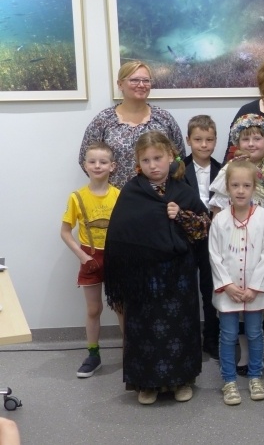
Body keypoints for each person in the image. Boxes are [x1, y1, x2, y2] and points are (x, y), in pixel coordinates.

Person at [104, 131, 210, 405]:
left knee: (179, 327)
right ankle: (146, 383)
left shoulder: (183, 190)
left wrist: (181, 215)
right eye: (146, 160)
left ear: (170, 156)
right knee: (145, 328)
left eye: (158, 158)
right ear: (138, 163)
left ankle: (181, 381)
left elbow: (204, 227)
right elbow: (119, 235)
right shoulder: (132, 192)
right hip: (144, 276)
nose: (153, 165)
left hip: (179, 274)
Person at [210, 113, 264, 374]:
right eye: (245, 139)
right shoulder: (229, 169)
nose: (251, 143)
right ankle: (243, 355)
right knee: (239, 305)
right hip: (235, 240)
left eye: (257, 138)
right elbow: (217, 204)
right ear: (237, 142)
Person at [209, 160, 264, 406]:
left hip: (253, 291)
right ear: (227, 187)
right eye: (235, 185)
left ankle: (255, 376)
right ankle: (229, 380)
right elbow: (214, 255)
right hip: (228, 290)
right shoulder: (219, 220)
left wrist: (254, 287)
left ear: (254, 187)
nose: (240, 190)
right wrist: (227, 285)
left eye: (246, 185)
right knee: (228, 334)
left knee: (255, 333)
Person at [60, 141, 122, 378]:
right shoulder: (77, 197)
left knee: (121, 307)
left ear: (112, 166)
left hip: (115, 258)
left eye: (103, 162)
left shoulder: (119, 195)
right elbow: (65, 232)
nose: (97, 166)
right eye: (92, 161)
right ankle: (93, 354)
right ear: (85, 165)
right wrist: (83, 256)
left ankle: (130, 352)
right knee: (94, 309)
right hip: (90, 257)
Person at [80, 61, 185, 189]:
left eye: (146, 80)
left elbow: (179, 157)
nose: (141, 85)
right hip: (116, 197)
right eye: (134, 80)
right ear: (120, 84)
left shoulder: (164, 119)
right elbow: (86, 159)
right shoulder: (103, 120)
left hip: (160, 196)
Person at [183, 115, 222, 360]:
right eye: (198, 140)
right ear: (188, 140)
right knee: (186, 288)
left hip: (213, 237)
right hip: (185, 237)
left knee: (210, 288)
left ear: (216, 141)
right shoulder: (177, 169)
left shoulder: (222, 169)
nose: (204, 145)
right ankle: (188, 339)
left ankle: (211, 338)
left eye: (209, 140)